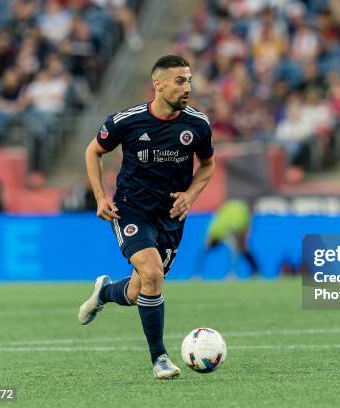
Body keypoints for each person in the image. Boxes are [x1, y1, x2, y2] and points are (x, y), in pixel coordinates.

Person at [78, 55, 215, 380]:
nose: (187, 87)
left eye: (189, 80)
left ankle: (105, 293)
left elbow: (208, 165)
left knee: (139, 290)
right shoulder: (126, 121)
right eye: (180, 81)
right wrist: (100, 197)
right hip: (131, 210)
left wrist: (190, 195)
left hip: (170, 218)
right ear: (159, 84)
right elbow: (93, 151)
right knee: (153, 274)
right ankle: (160, 358)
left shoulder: (197, 124)